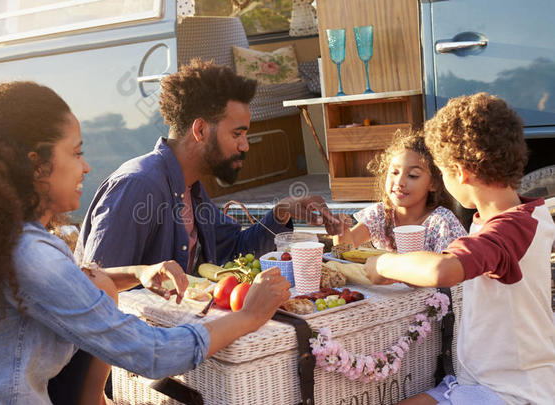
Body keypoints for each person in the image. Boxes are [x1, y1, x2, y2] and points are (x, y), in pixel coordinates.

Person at [0, 82, 291, 405]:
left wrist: (137, 272)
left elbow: (76, 285)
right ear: (37, 164)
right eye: (76, 153)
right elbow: (152, 354)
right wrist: (249, 315)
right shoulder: (32, 253)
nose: (86, 167)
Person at [364, 93, 555, 404]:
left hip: (511, 392)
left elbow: (444, 269)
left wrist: (384, 263)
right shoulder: (521, 215)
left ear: (460, 172)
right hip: (481, 381)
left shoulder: (507, 231)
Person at [74, 59, 344, 273]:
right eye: (237, 134)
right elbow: (99, 290)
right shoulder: (138, 185)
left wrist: (282, 211)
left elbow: (234, 250)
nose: (245, 146)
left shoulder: (192, 189)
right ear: (200, 129)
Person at [336, 129, 466, 253]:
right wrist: (340, 229)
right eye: (394, 172)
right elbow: (348, 246)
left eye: (413, 175)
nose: (399, 182)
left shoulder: (441, 222)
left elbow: (450, 267)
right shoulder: (381, 215)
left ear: (434, 183)